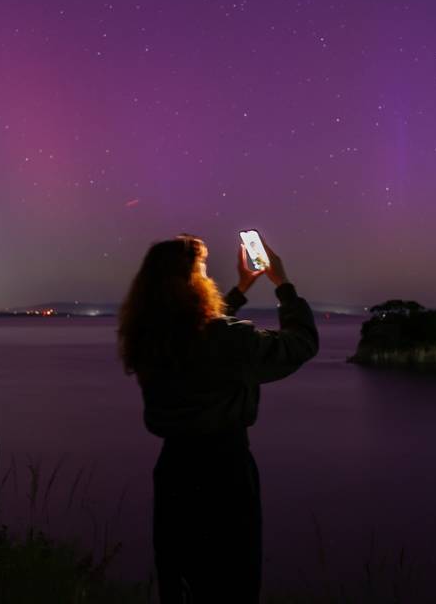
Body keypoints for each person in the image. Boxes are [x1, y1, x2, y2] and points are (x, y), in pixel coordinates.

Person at [117, 233, 319, 603]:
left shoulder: (149, 337)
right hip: (223, 472)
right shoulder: (221, 340)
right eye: (202, 270)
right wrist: (284, 286)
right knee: (231, 581)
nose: (208, 277)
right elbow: (300, 346)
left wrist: (241, 288)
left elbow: (201, 332)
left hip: (174, 469)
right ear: (190, 281)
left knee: (180, 580)